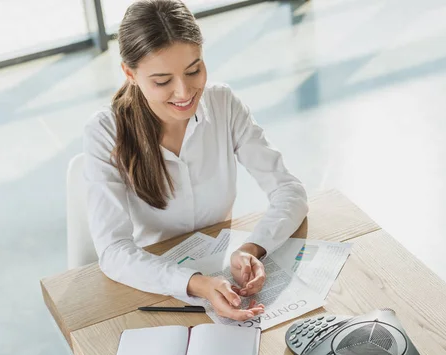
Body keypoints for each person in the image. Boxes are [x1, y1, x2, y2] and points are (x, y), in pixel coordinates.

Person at [83, 0, 308, 321]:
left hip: (223, 265)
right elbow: (113, 251)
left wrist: (252, 248)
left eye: (194, 70)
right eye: (162, 81)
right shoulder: (105, 131)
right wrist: (194, 284)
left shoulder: (223, 103)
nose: (184, 91)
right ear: (130, 73)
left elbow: (289, 191)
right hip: (154, 284)